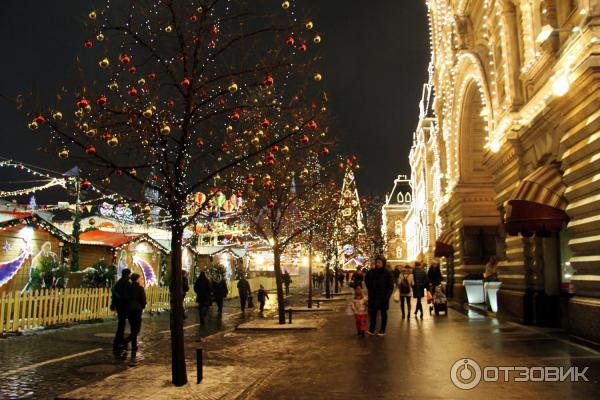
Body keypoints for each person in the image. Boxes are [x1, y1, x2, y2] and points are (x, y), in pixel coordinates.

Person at [364, 256, 395, 335]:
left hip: (383, 297)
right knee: (372, 313)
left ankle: (382, 330)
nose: (377, 264)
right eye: (377, 262)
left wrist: (387, 296)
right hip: (373, 296)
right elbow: (367, 280)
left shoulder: (388, 273)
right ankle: (372, 329)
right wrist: (370, 290)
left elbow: (390, 286)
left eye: (379, 263)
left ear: (383, 263)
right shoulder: (372, 272)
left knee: (383, 313)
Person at [125, 273, 146, 352]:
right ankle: (126, 340)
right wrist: (142, 306)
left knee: (132, 328)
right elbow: (143, 300)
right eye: (139, 278)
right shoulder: (140, 288)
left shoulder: (128, 288)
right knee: (136, 329)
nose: (140, 280)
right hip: (137, 309)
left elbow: (125, 298)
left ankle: (134, 345)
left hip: (129, 309)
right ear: (137, 279)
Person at [111, 268, 131, 351]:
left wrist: (113, 304)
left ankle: (118, 340)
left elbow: (114, 293)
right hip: (123, 305)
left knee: (121, 323)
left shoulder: (118, 282)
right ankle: (119, 340)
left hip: (119, 305)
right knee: (122, 324)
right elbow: (127, 296)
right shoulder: (126, 283)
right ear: (128, 274)